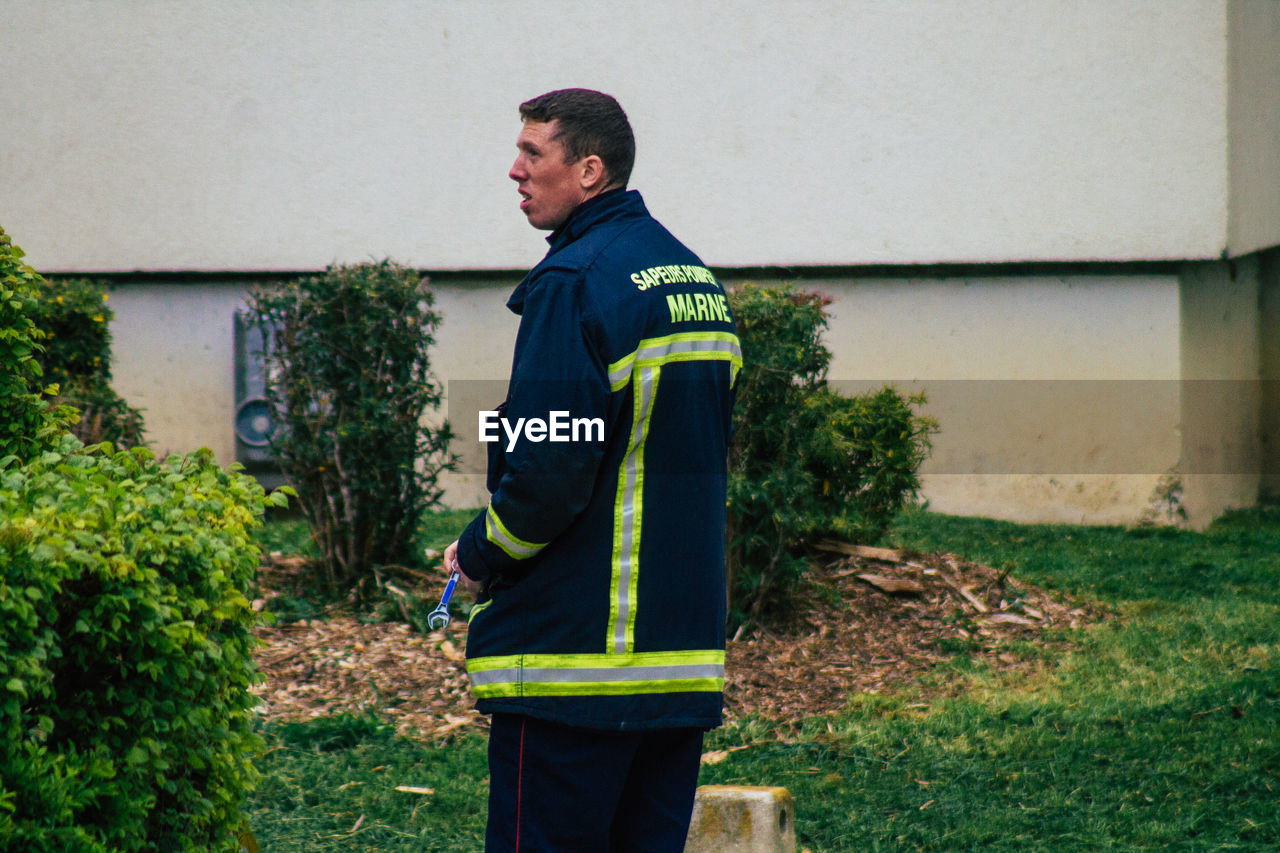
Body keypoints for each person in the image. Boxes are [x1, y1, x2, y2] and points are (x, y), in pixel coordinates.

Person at [444, 88, 740, 852]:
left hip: (573, 673)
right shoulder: (696, 282)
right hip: (678, 668)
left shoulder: (572, 281)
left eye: (532, 154)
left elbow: (547, 469)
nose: (514, 170)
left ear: (589, 170)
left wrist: (478, 553)